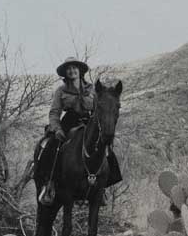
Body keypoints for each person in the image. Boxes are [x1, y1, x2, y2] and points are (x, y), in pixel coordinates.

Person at [32, 57, 123, 205]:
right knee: (51, 146)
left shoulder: (92, 90)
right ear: (65, 73)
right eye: (69, 69)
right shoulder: (61, 91)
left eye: (74, 68)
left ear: (80, 71)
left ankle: (102, 188)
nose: (72, 70)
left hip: (89, 123)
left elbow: (98, 110)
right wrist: (57, 129)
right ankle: (49, 184)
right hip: (69, 123)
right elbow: (54, 113)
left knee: (106, 148)